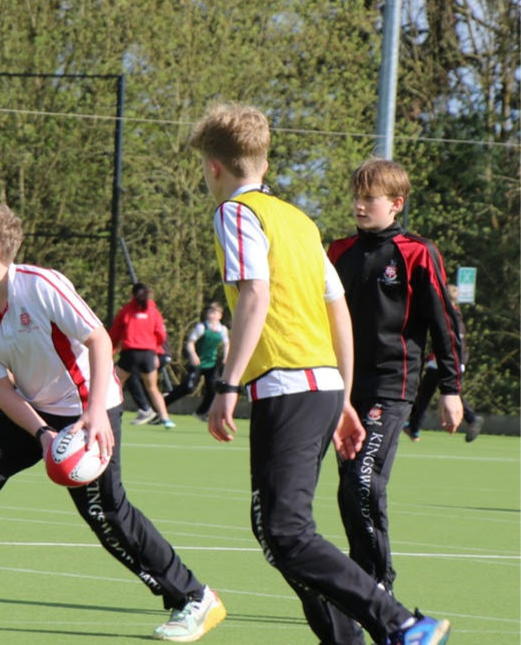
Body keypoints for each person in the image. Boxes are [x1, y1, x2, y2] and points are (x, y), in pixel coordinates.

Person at [0, 203, 226, 642]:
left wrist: (96, 412)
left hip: (90, 408)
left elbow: (99, 339)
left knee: (107, 513)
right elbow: (1, 389)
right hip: (36, 410)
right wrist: (42, 434)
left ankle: (194, 598)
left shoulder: (41, 285)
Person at [192, 103, 451, 645]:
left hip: (286, 385)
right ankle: (350, 638)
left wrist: (227, 384)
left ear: (214, 166)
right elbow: (338, 311)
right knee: (276, 532)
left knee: (286, 530)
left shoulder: (236, 214)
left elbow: (255, 295)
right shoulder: (298, 220)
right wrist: (346, 400)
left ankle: (402, 622)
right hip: (321, 387)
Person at [327, 158, 464, 603]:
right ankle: (359, 577)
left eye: (370, 198)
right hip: (343, 387)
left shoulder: (418, 252)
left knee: (365, 482)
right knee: (350, 484)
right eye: (357, 197)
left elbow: (446, 322)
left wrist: (450, 389)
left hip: (392, 385)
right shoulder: (337, 251)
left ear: (396, 203)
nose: (360, 206)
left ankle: (378, 583)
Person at [404, 284, 483, 442]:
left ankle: (472, 417)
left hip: (443, 363)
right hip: (450, 361)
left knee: (428, 394)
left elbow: (448, 341)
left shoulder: (449, 314)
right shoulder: (457, 314)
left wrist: (438, 358)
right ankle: (414, 427)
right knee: (436, 393)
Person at [108, 282, 175, 429]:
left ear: (132, 295)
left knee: (115, 384)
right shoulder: (154, 312)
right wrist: (157, 352)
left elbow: (115, 334)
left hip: (130, 353)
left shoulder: (126, 311)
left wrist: (110, 353)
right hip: (148, 355)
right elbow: (161, 335)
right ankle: (165, 419)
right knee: (152, 387)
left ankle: (109, 414)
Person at [163, 302, 230, 421]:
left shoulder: (222, 329)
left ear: (220, 315)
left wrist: (226, 357)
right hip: (198, 362)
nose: (211, 315)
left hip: (212, 363)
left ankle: (201, 413)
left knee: (213, 388)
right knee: (188, 387)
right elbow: (190, 343)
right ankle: (163, 404)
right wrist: (193, 355)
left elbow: (226, 344)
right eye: (210, 312)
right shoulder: (202, 327)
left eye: (214, 313)